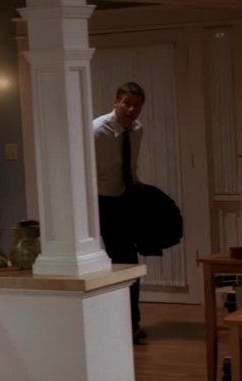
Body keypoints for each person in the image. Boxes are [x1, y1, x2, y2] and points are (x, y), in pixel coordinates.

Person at [93, 81, 147, 345]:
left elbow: (131, 164)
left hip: (125, 197)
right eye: (126, 103)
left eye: (136, 105)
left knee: (130, 263)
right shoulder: (97, 131)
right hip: (101, 201)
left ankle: (131, 323)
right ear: (116, 102)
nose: (131, 109)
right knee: (118, 261)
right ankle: (120, 325)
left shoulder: (137, 130)